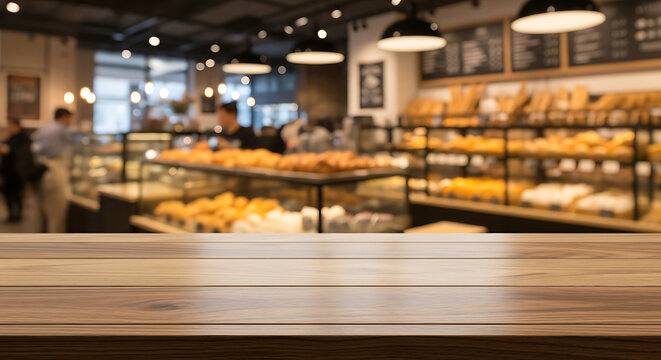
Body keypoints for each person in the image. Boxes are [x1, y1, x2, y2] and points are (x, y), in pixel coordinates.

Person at [33, 108, 73, 233]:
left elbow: (34, 149)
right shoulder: (62, 129)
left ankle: (43, 237)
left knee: (44, 208)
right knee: (57, 210)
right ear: (65, 117)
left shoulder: (43, 129)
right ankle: (55, 241)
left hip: (42, 170)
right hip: (56, 168)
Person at [0, 119, 33, 222]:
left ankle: (18, 215)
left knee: (17, 194)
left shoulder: (23, 138)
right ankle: (11, 215)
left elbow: (22, 152)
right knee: (7, 193)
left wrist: (9, 150)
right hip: (7, 171)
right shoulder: (11, 137)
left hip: (17, 171)